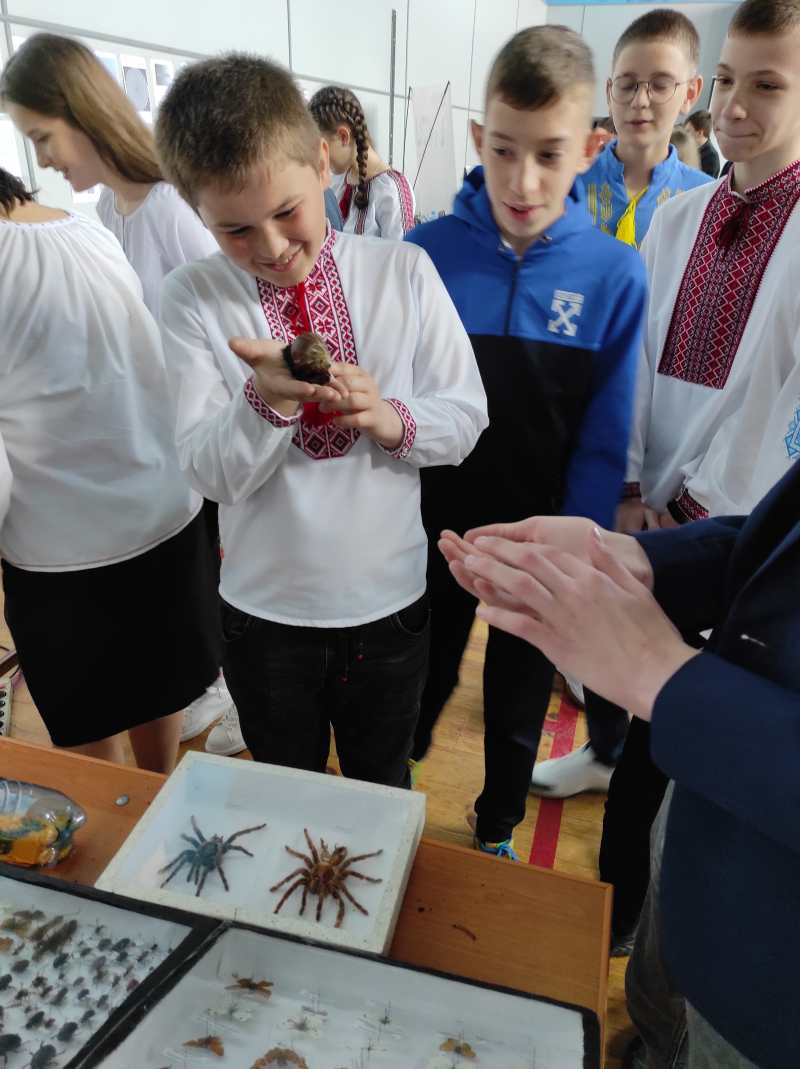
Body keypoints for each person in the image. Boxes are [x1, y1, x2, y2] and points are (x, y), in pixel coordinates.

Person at [532, 0, 800, 958]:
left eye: (766, 84)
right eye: (727, 80)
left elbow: (782, 410)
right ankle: (616, 908)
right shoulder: (681, 215)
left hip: (738, 523)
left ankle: (659, 928)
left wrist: (702, 505)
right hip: (653, 506)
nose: (735, 105)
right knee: (625, 690)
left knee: (690, 735)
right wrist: (631, 480)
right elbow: (634, 362)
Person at [153, 54, 487, 787]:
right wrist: (266, 402)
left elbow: (466, 416)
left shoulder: (403, 271)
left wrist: (389, 417)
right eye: (235, 230)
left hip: (388, 604)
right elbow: (208, 471)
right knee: (284, 795)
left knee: (381, 789)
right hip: (263, 613)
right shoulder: (191, 298)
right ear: (196, 211)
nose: (271, 249)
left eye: (286, 212)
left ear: (321, 161)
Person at [438, 449, 800, 1068]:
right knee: (656, 1002)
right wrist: (637, 560)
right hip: (701, 824)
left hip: (771, 986)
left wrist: (666, 677)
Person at [404, 26, 647, 857]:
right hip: (431, 527)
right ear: (479, 138)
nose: (523, 179)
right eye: (504, 150)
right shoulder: (424, 255)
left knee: (517, 700)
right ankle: (397, 785)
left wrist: (572, 551)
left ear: (591, 149)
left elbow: (604, 437)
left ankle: (497, 826)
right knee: (422, 677)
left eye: (549, 154)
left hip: (540, 538)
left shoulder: (614, 276)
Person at [1, 32, 242, 754]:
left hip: (109, 516)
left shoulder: (159, 209)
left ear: (82, 113)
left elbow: (226, 328)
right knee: (151, 700)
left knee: (114, 733)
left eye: (42, 137)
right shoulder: (97, 221)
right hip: (156, 496)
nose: (44, 158)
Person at [580, 9, 710, 249]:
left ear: (690, 93)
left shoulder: (706, 203)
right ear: (609, 93)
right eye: (626, 85)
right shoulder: (570, 184)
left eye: (660, 85)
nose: (639, 100)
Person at [309, 86, 415, 239]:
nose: (319, 157)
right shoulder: (336, 181)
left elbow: (402, 253)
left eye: (321, 147)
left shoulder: (391, 190)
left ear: (343, 137)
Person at [685, 108, 721, 177]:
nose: (685, 134)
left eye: (688, 131)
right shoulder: (689, 147)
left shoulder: (711, 158)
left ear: (700, 133)